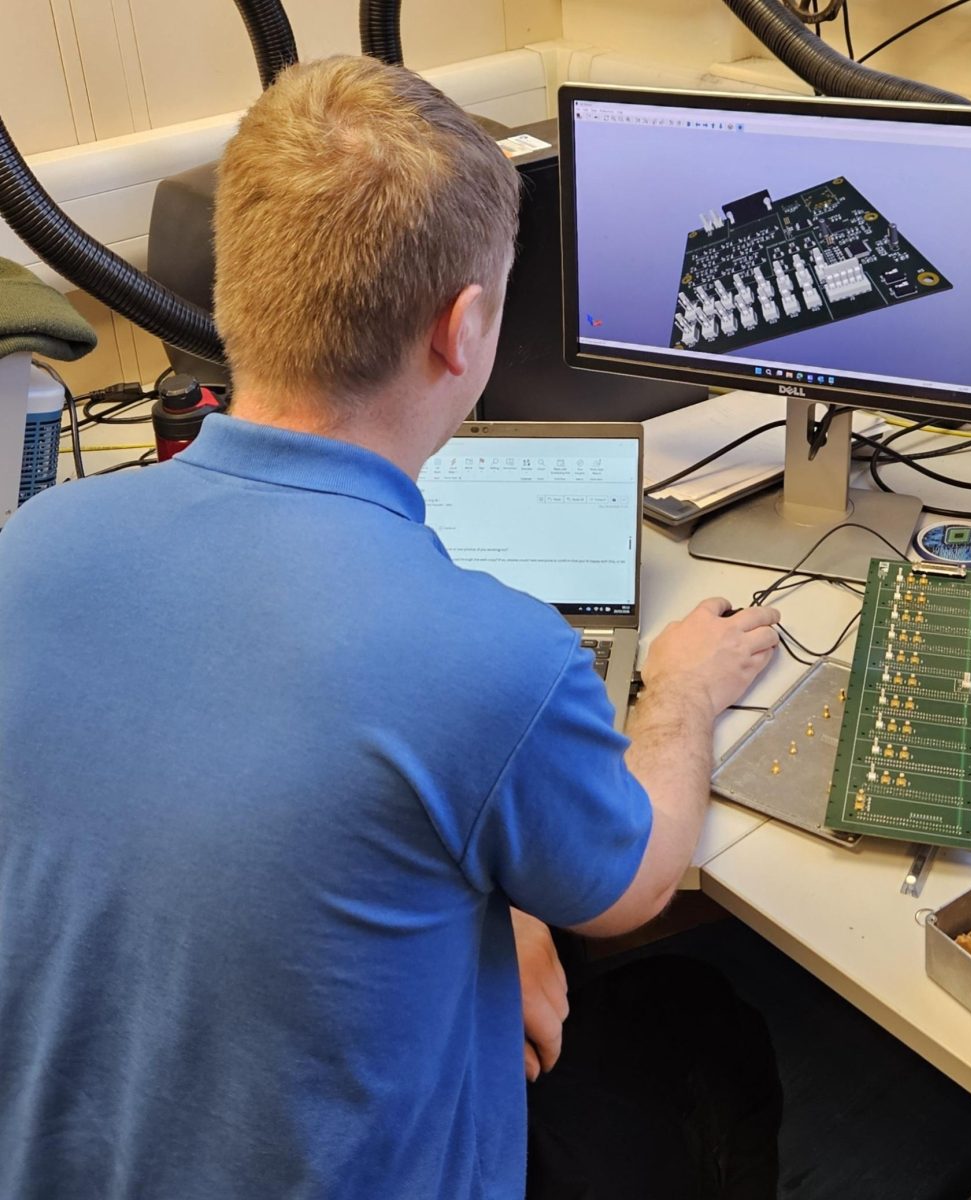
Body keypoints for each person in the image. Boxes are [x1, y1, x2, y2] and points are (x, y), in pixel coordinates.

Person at [0, 56, 780, 1199]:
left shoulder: (34, 548)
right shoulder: (493, 658)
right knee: (703, 1029)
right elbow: (633, 887)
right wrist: (684, 694)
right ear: (464, 330)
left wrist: (484, 902)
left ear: (234, 288)